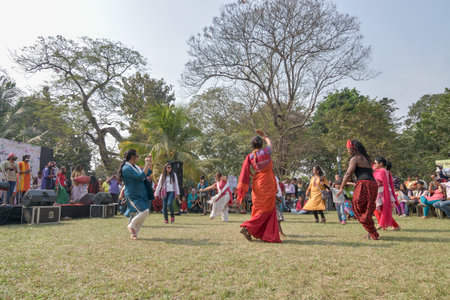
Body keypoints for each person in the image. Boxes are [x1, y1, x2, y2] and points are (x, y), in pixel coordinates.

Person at [236, 130, 281, 243]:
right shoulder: (266, 151)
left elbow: (247, 171)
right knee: (268, 209)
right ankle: (248, 227)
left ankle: (264, 234)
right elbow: (271, 144)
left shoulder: (250, 157)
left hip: (257, 184)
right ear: (261, 144)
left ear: (252, 145)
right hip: (267, 183)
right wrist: (265, 135)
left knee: (260, 210)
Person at [337, 139, 379, 240]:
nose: (347, 151)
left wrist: (341, 187)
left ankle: (374, 233)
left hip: (363, 184)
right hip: (373, 184)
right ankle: (373, 233)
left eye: (348, 149)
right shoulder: (367, 159)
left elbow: (348, 174)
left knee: (357, 207)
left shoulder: (355, 159)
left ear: (352, 149)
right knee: (367, 209)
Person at [118, 149, 153, 240]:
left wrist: (150, 163)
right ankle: (131, 226)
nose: (138, 157)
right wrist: (146, 164)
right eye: (137, 156)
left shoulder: (135, 167)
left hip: (141, 193)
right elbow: (140, 176)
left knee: (144, 213)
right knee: (144, 211)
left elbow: (148, 172)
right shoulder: (126, 168)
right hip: (132, 194)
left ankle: (134, 233)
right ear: (132, 157)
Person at [372, 157, 400, 231]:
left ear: (380, 164)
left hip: (382, 193)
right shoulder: (385, 171)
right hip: (384, 192)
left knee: (379, 210)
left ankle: (381, 224)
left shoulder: (381, 171)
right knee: (383, 211)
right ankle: (392, 225)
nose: (374, 164)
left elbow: (377, 181)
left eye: (375, 163)